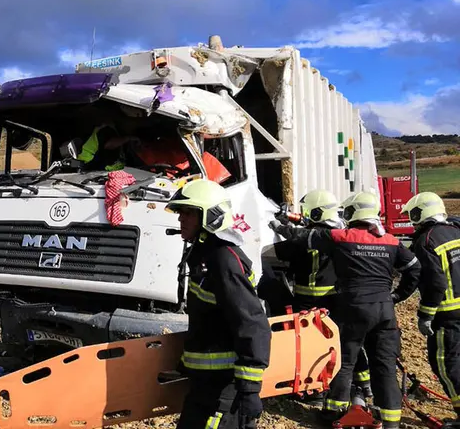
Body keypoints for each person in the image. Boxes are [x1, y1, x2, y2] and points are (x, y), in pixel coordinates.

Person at [269, 191, 421, 428]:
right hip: (384, 310)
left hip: (353, 309)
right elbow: (414, 268)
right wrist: (397, 295)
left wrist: (283, 226)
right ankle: (390, 422)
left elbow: (306, 238)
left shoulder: (343, 237)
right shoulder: (390, 240)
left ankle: (333, 413)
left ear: (354, 212)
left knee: (345, 361)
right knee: (384, 368)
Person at [166, 179, 271, 429]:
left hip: (224, 387)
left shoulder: (223, 260)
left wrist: (249, 390)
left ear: (209, 216)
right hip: (204, 383)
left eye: (188, 213)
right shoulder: (204, 255)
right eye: (180, 213)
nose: (181, 220)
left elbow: (253, 324)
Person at [272, 189, 372, 400]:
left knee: (312, 346)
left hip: (309, 302)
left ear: (316, 213)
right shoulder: (341, 233)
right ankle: (364, 384)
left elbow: (285, 250)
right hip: (338, 301)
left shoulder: (310, 238)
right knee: (344, 343)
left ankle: (316, 390)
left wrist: (279, 229)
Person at [401, 192, 460, 421]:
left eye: (413, 214)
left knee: (446, 365)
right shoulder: (455, 232)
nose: (412, 220)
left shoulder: (425, 241)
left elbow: (436, 283)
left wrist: (425, 315)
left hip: (447, 315)